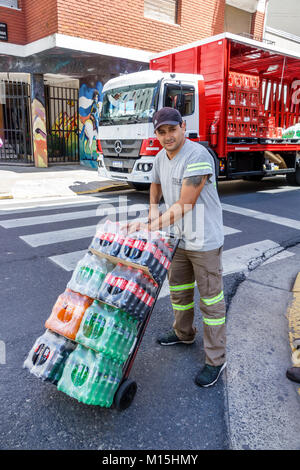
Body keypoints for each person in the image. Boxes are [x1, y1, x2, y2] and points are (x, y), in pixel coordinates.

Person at [128, 107, 226, 387]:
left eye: (172, 129)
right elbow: (155, 183)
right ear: (156, 134)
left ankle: (215, 359)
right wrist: (150, 209)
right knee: (179, 291)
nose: (168, 136)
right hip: (177, 239)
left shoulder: (197, 156)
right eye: (162, 131)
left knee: (211, 301)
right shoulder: (160, 156)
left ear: (183, 127)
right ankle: (184, 334)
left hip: (204, 240)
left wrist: (150, 225)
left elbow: (185, 203)